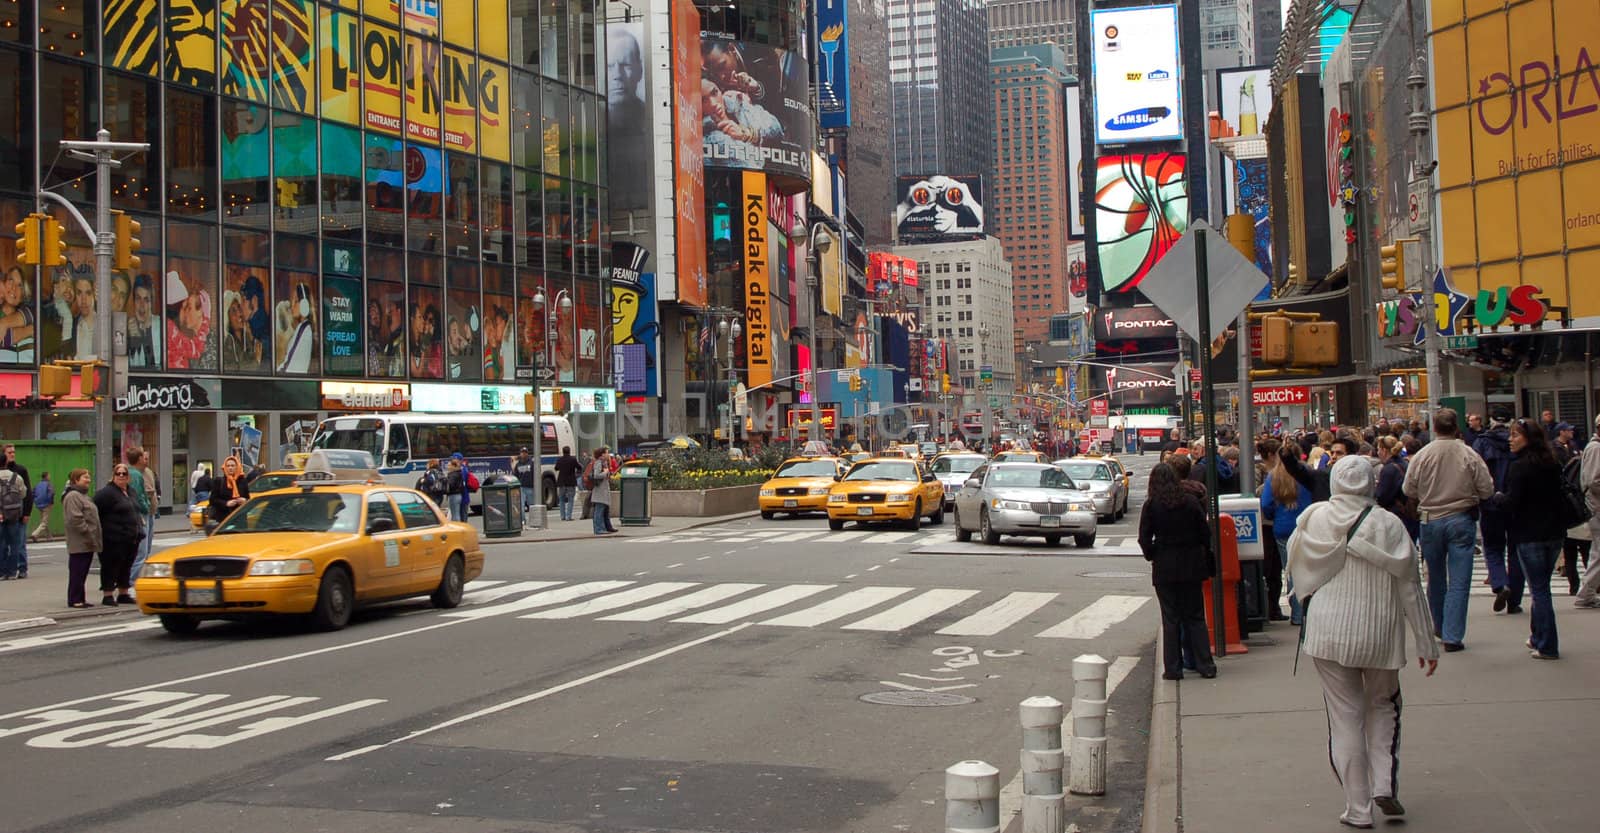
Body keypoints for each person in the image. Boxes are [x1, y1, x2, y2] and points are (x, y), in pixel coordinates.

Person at [1289, 455, 1439, 829]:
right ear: (1370, 484)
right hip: (1381, 631)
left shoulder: (1315, 518)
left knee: (1345, 719)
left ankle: (1357, 808)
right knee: (1384, 706)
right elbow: (1409, 585)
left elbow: (1293, 563)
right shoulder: (1389, 524)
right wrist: (1426, 641)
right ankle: (1384, 782)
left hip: (1328, 632)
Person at [1403, 409, 1494, 652]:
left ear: (1434, 427)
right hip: (1460, 517)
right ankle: (1453, 635)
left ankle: (1440, 625)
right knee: (1459, 580)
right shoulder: (1468, 453)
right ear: (1456, 427)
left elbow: (1408, 488)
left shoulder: (1422, 455)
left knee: (1435, 575)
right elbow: (1486, 488)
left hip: (1430, 518)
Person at [1138, 463, 1217, 681]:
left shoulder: (1152, 505)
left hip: (1165, 564)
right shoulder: (1190, 502)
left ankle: (1173, 668)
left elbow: (1144, 538)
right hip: (1191, 563)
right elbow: (1205, 532)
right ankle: (1205, 664)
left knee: (1170, 618)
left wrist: (1153, 554)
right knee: (1195, 616)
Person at [1495, 420, 1565, 659]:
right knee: (1542, 586)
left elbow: (1512, 502)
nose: (1510, 439)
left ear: (1528, 438)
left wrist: (1497, 498)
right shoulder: (1552, 462)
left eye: (1515, 435)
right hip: (1554, 532)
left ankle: (1547, 645)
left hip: (1529, 533)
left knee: (1539, 590)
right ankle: (1538, 636)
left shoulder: (1520, 467)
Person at [1472, 410, 1522, 614]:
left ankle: (1501, 584)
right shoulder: (1517, 444)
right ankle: (1514, 600)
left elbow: (1474, 472)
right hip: (1514, 503)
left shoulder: (1481, 444)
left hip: (1490, 502)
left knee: (1492, 547)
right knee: (1515, 550)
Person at [1263, 445, 1316, 625]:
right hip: (1306, 525)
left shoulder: (1273, 477)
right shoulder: (1307, 473)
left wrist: (1275, 516)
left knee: (1291, 570)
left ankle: (1297, 613)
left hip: (1283, 527)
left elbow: (1266, 504)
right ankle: (1307, 611)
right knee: (1309, 568)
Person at [93, 463, 141, 606]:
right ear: (113, 476)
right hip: (112, 538)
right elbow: (95, 510)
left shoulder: (131, 491)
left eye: (124, 474)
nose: (121, 476)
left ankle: (123, 593)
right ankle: (108, 595)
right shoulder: (106, 493)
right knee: (110, 566)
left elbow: (135, 509)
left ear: (128, 477)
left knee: (126, 565)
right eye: (118, 473)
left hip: (131, 537)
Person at [61, 468, 101, 609]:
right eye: (85, 477)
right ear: (76, 480)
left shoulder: (83, 496)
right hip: (80, 542)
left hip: (87, 542)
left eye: (89, 476)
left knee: (82, 571)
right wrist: (89, 533)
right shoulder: (73, 496)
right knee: (78, 571)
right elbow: (75, 519)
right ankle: (75, 600)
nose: (88, 479)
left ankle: (80, 598)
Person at [1574, 413, 1600, 608]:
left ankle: (1587, 592)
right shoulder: (1595, 448)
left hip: (1595, 506)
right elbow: (1593, 481)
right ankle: (1586, 593)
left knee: (1597, 552)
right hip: (1597, 507)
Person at [1373, 436, 1418, 542]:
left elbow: (1382, 497)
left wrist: (1377, 488)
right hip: (1410, 513)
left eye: (1378, 449)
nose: (1378, 453)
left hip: (1397, 515)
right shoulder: (1404, 463)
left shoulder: (1389, 469)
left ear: (1384, 450)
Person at [0, 443, 31, 580]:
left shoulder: (21, 470)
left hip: (10, 514)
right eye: (9, 452)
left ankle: (18, 568)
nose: (12, 454)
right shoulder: (16, 475)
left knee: (14, 543)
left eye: (13, 452)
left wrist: (27, 513)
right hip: (14, 513)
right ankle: (11, 570)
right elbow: (25, 493)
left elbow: (28, 493)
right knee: (13, 543)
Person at [123, 448, 152, 592]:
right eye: (143, 457)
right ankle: (132, 581)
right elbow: (138, 496)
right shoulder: (135, 475)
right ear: (139, 459)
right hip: (140, 515)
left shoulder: (136, 473)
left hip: (139, 513)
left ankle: (131, 580)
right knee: (141, 552)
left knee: (141, 551)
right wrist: (146, 507)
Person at [207, 456, 250, 530]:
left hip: (240, 518)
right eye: (228, 466)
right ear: (225, 467)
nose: (230, 468)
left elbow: (248, 498)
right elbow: (212, 500)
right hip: (223, 518)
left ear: (237, 467)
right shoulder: (219, 481)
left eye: (232, 466)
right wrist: (226, 503)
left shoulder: (243, 481)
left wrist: (244, 500)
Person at [586, 447, 616, 535]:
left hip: (603, 490)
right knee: (599, 511)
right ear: (602, 454)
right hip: (600, 491)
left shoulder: (604, 463)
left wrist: (608, 473)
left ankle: (604, 527)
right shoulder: (598, 463)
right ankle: (598, 529)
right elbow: (596, 475)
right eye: (607, 453)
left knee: (603, 510)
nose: (608, 454)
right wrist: (605, 473)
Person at [554, 445, 581, 522]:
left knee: (561, 500)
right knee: (570, 499)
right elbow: (579, 467)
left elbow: (556, 468)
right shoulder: (573, 459)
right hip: (571, 482)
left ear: (563, 451)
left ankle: (562, 516)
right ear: (569, 451)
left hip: (561, 482)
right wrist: (576, 474)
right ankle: (568, 516)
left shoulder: (560, 460)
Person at [511, 447, 538, 519]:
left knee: (531, 505)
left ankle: (533, 519)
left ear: (527, 454)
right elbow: (515, 475)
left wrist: (535, 486)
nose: (523, 454)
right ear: (520, 453)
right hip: (521, 487)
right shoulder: (518, 464)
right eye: (522, 452)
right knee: (522, 505)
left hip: (530, 487)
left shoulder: (532, 463)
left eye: (525, 452)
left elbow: (535, 475)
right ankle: (523, 520)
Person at [29, 471, 53, 542]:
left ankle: (49, 537)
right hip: (46, 505)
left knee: (44, 520)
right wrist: (50, 502)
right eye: (49, 475)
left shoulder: (37, 485)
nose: (49, 477)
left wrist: (36, 501)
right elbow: (51, 493)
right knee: (44, 522)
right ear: (47, 476)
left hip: (39, 505)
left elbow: (33, 493)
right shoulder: (49, 484)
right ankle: (35, 534)